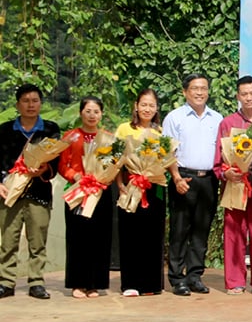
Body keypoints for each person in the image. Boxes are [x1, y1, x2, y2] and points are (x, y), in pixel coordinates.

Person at [163, 73, 223, 296]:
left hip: (208, 179)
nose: (200, 92)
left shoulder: (217, 118)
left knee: (201, 230)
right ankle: (177, 278)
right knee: (180, 230)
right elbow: (167, 151)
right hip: (183, 178)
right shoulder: (174, 118)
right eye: (195, 88)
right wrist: (176, 177)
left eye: (204, 88)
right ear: (185, 92)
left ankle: (195, 276)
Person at [0, 84, 62, 300]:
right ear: (17, 104)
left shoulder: (50, 129)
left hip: (39, 191)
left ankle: (36, 282)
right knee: (8, 239)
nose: (30, 105)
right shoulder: (4, 130)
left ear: (40, 103)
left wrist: (45, 170)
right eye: (25, 101)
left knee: (38, 240)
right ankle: (6, 282)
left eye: (35, 100)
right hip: (9, 193)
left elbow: (56, 160)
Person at [213, 75, 252, 295]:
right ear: (238, 96)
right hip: (236, 183)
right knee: (234, 232)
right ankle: (235, 280)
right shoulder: (227, 123)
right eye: (244, 94)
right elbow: (219, 156)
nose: (248, 98)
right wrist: (225, 172)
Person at [59, 97, 113, 299]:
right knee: (77, 237)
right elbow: (62, 165)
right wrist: (75, 176)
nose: (92, 115)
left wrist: (104, 176)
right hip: (78, 192)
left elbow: (113, 163)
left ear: (101, 114)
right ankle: (77, 283)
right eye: (88, 111)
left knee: (100, 237)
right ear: (81, 113)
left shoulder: (108, 138)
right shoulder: (70, 137)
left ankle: (95, 284)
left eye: (96, 111)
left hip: (100, 192)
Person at [115, 89, 167, 297]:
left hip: (154, 188)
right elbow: (115, 160)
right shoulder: (124, 129)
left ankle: (151, 284)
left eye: (151, 105)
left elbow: (167, 160)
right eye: (144, 104)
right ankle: (130, 283)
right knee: (130, 234)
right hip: (131, 185)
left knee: (152, 236)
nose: (147, 109)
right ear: (136, 106)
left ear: (156, 109)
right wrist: (119, 184)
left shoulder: (160, 132)